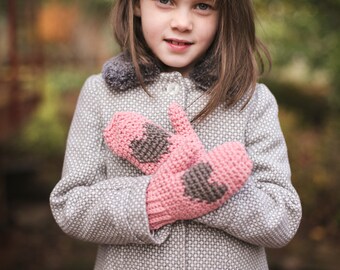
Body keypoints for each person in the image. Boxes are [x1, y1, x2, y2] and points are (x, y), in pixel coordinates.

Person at [50, 0, 302, 269]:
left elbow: (283, 218)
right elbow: (70, 206)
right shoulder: (101, 94)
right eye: (166, 1)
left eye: (203, 6)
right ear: (136, 5)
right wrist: (158, 200)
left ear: (226, 13)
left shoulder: (251, 100)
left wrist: (206, 185)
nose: (182, 22)